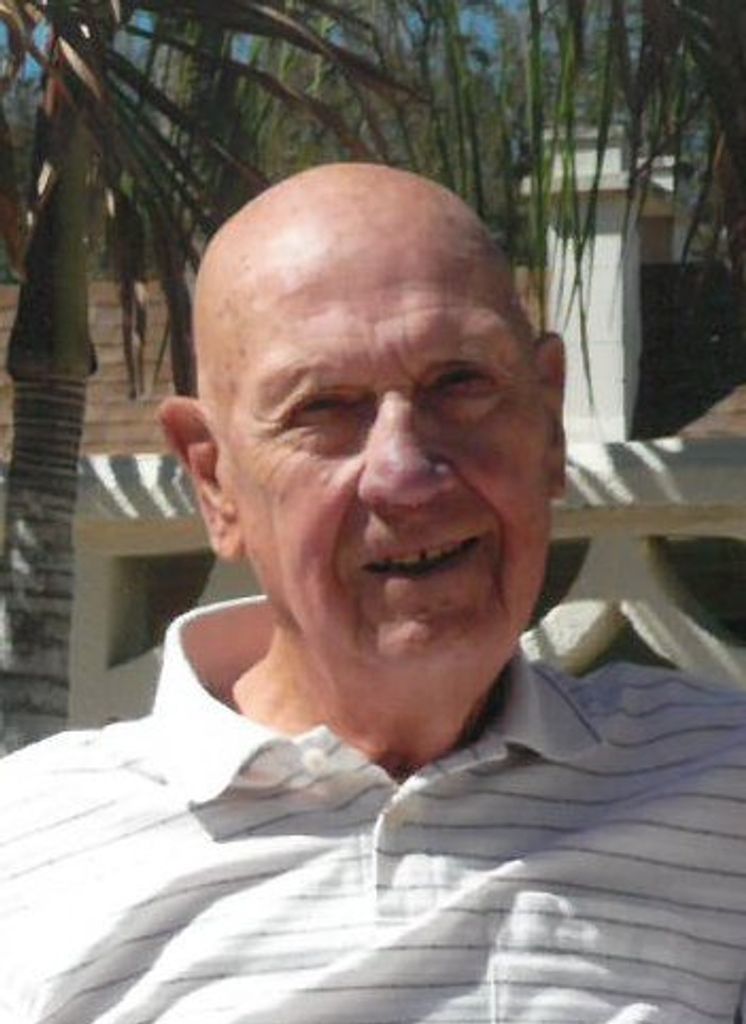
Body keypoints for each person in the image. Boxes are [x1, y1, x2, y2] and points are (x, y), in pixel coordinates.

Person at [2, 164, 746, 1024]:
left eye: (459, 384)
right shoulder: (30, 854)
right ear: (213, 481)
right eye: (324, 408)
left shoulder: (716, 782)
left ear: (549, 423)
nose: (405, 474)